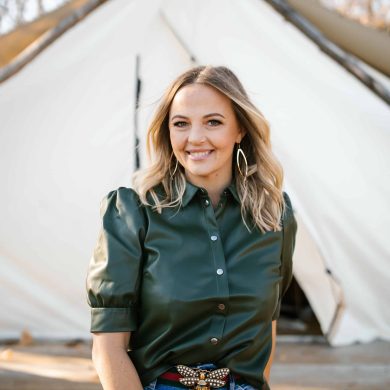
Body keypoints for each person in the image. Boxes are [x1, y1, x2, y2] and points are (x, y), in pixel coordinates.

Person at [86, 65, 298, 390]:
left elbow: (266, 327)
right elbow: (108, 348)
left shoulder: (274, 215)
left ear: (240, 129)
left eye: (213, 122)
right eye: (181, 124)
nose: (195, 138)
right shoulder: (132, 213)